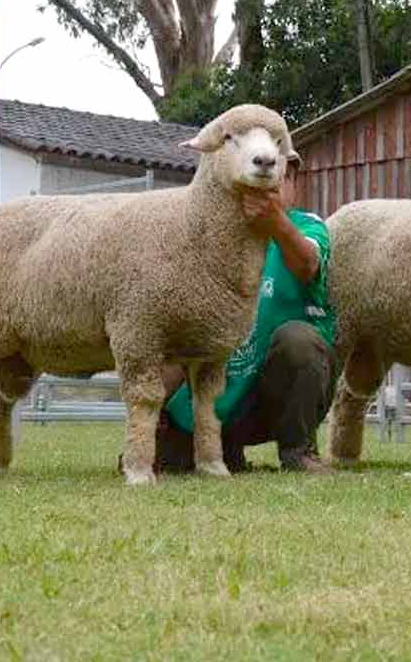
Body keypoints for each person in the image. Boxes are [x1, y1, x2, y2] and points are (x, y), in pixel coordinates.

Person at [133, 156, 337, 475]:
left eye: (283, 178)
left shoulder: (308, 226)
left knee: (298, 340)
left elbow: (307, 265)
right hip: (215, 391)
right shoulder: (213, 240)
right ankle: (218, 447)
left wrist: (275, 222)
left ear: (293, 186)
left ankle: (298, 450)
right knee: (172, 463)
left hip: (278, 393)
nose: (271, 186)